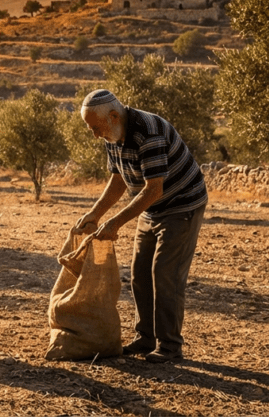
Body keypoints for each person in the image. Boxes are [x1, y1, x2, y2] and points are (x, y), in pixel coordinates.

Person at [74, 89, 207, 363]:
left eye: (95, 128)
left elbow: (153, 190)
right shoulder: (113, 133)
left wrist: (115, 222)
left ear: (113, 116)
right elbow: (119, 179)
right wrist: (95, 214)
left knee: (165, 274)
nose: (94, 135)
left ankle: (169, 346)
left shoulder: (148, 132)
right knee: (139, 274)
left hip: (181, 205)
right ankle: (145, 338)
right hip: (152, 207)